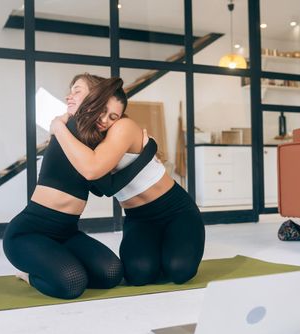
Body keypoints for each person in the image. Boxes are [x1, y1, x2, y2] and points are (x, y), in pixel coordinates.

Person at [3, 74, 158, 299]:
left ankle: (57, 261)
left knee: (111, 274)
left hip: (67, 233)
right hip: (28, 234)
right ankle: (29, 275)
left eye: (77, 90)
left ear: (96, 95)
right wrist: (147, 152)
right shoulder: (72, 128)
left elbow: (100, 187)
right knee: (72, 284)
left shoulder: (91, 138)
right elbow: (106, 185)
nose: (69, 96)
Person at [50, 79, 205, 286]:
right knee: (138, 275)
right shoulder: (89, 138)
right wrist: (147, 152)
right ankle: (159, 251)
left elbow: (95, 173)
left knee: (179, 271)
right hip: (139, 218)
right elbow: (102, 188)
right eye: (102, 111)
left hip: (175, 211)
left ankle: (170, 250)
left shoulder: (124, 127)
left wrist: (57, 127)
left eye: (113, 116)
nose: (105, 120)